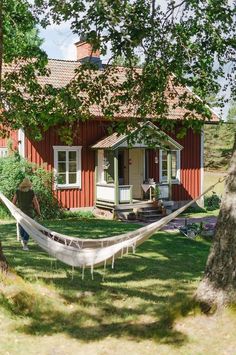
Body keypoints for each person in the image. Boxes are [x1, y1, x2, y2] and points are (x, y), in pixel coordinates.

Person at [12, 177, 41, 251]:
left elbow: (13, 202)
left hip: (20, 213)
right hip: (29, 213)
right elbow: (36, 204)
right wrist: (38, 213)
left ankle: (23, 241)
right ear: (29, 185)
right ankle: (25, 244)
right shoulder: (31, 192)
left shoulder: (18, 192)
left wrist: (14, 211)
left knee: (22, 227)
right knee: (28, 228)